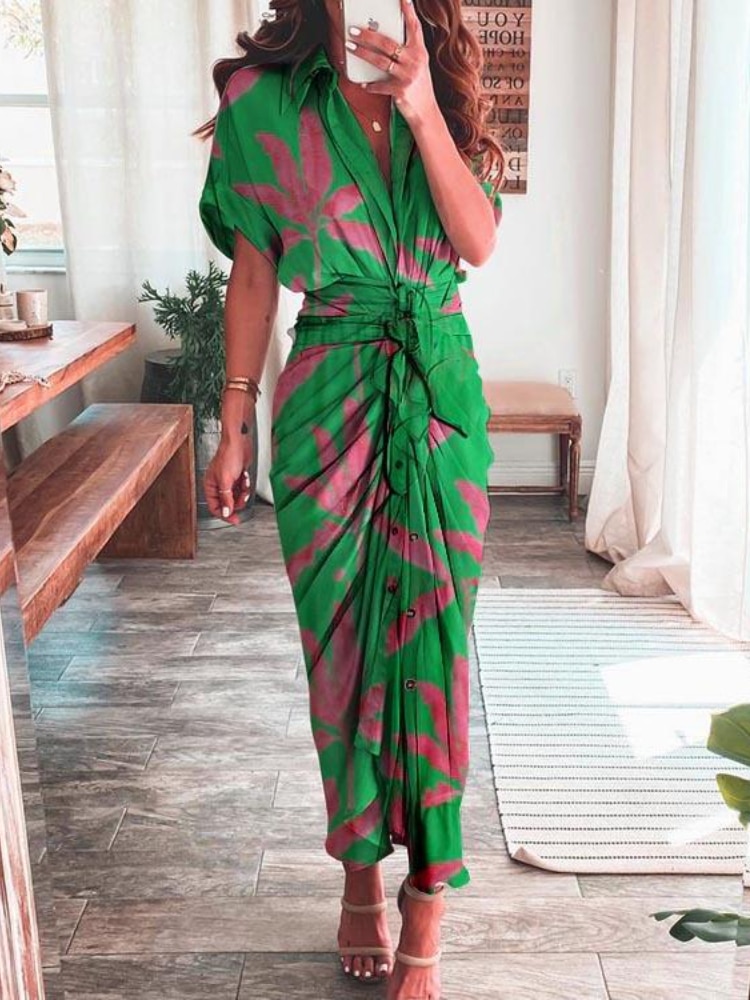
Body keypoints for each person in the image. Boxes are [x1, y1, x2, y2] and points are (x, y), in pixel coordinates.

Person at [197, 0, 504, 995]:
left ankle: (429, 900)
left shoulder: (441, 76)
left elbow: (477, 241)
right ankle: (359, 870)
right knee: (340, 661)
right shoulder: (262, 100)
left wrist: (421, 107)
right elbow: (255, 273)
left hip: (437, 400)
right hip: (328, 401)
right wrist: (233, 421)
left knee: (435, 650)